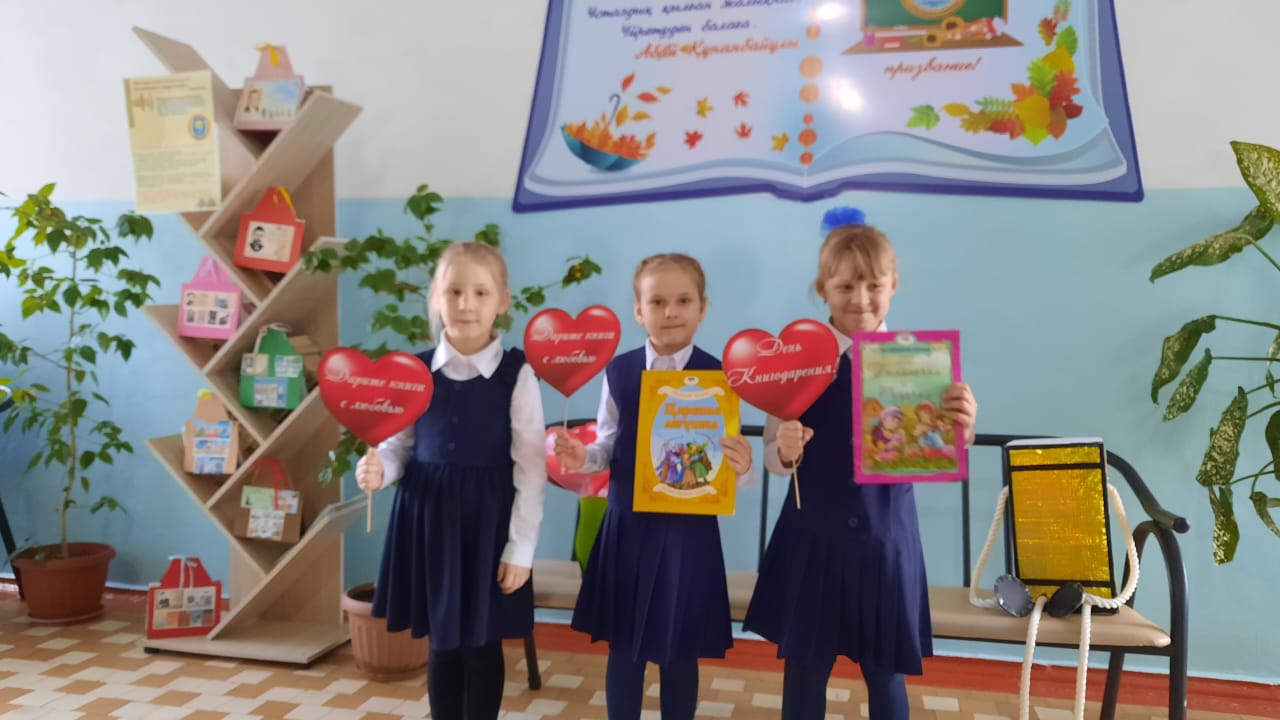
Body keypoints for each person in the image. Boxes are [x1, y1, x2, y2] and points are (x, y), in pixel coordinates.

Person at [743, 209, 979, 720]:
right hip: (813, 538)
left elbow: (938, 450)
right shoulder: (796, 361)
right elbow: (774, 458)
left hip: (885, 540)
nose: (861, 299)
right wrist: (784, 448)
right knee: (806, 665)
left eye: (874, 285)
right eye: (846, 286)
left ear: (894, 286)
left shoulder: (921, 365)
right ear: (823, 289)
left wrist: (963, 427)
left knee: (885, 670)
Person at [554, 253, 753, 720]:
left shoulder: (722, 377)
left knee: (680, 649)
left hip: (689, 535)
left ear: (703, 308)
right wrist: (583, 457)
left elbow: (729, 468)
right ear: (638, 310)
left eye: (683, 301)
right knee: (625, 648)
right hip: (628, 529)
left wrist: (743, 467)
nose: (671, 312)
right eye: (657, 301)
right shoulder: (619, 371)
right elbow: (607, 444)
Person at [356, 242, 546, 720]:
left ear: (502, 301)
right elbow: (398, 449)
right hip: (429, 524)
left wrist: (521, 549)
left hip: (487, 528)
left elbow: (531, 468)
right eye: (453, 291)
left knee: (481, 644)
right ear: (436, 297)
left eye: (481, 292)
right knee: (442, 642)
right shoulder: (414, 371)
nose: (466, 303)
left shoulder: (517, 375)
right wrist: (380, 470)